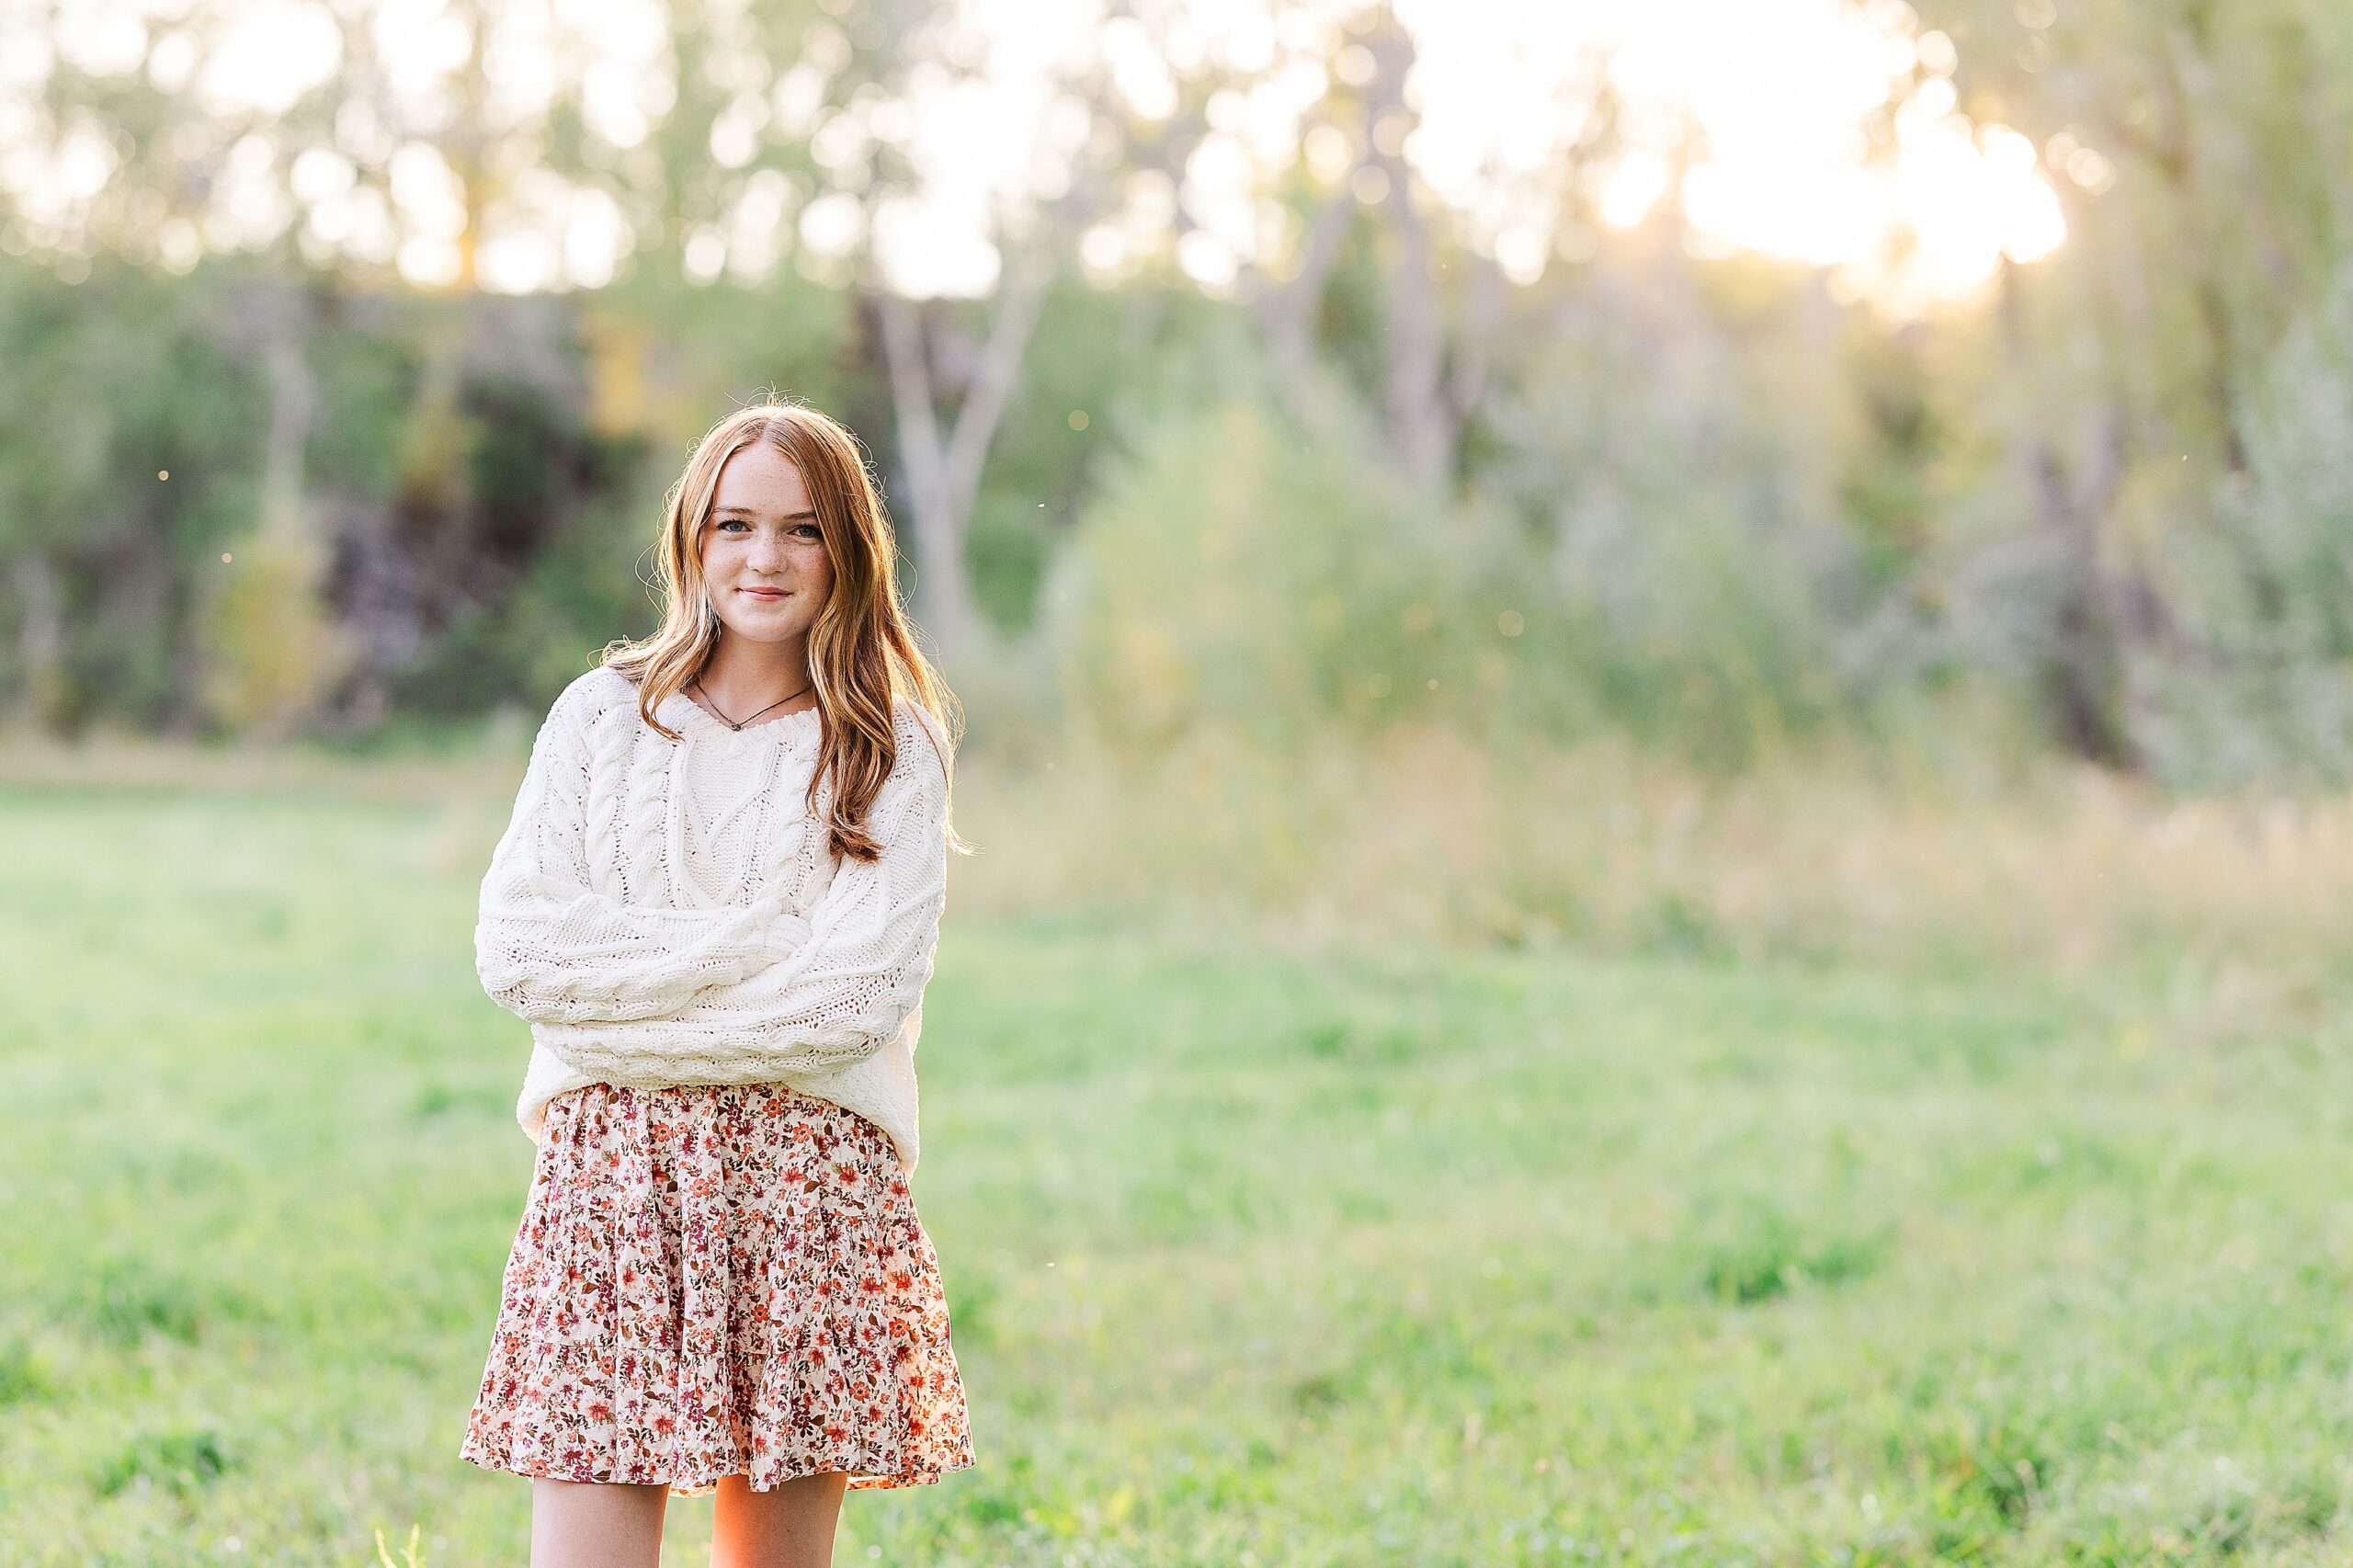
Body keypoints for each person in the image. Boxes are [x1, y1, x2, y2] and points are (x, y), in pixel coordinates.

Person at [457, 401, 977, 1568]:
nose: (764, 557)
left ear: (848, 549)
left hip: (806, 1188)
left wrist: (628, 1002)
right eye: (735, 523)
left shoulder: (890, 744)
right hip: (611, 1184)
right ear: (691, 538)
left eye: (802, 530)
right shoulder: (598, 719)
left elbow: (851, 1002)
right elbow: (525, 954)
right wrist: (761, 944)